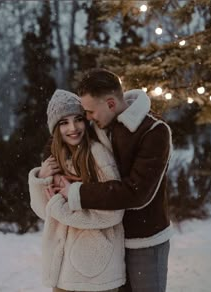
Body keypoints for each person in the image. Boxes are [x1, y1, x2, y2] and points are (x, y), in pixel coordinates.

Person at [60, 69, 173, 292]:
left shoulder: (154, 131)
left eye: (91, 112)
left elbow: (137, 193)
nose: (88, 118)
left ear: (111, 104)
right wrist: (49, 168)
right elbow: (63, 138)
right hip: (111, 239)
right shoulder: (99, 125)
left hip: (144, 241)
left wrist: (78, 193)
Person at [28, 89, 126, 292]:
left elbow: (113, 213)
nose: (72, 128)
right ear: (55, 128)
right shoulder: (55, 159)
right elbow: (44, 213)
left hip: (96, 272)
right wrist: (41, 179)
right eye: (64, 122)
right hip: (63, 272)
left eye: (78, 119)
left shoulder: (98, 155)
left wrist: (61, 208)